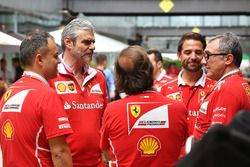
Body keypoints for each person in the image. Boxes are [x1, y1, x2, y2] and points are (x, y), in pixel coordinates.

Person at [100, 45, 188, 167]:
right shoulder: (178, 108)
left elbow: (106, 153)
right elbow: (181, 146)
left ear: (119, 77)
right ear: (150, 71)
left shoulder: (112, 109)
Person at [0, 32, 73, 167]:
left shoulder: (8, 93)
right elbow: (60, 152)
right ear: (40, 59)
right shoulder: (47, 96)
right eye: (55, 55)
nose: (59, 60)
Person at [49, 18, 108, 167]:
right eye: (87, 42)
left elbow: (105, 121)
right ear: (68, 43)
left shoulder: (99, 77)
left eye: (93, 42)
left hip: (97, 163)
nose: (93, 47)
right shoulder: (50, 76)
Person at [193, 32, 250, 141]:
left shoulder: (228, 88)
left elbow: (219, 140)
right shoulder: (236, 83)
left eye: (208, 55)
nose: (203, 61)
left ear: (228, 59)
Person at [160, 32, 214, 137]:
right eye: (188, 52)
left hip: (203, 152)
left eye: (198, 52)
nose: (193, 57)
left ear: (204, 56)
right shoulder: (164, 89)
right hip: (173, 152)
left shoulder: (216, 88)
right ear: (179, 55)